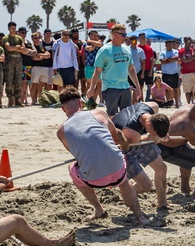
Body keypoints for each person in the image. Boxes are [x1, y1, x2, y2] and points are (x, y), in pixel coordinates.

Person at [57, 86, 147, 224]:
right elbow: (117, 135)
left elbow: (76, 154)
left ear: (63, 109)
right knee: (124, 182)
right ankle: (139, 216)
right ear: (81, 103)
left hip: (93, 179)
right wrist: (124, 145)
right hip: (117, 171)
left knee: (71, 167)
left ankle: (98, 209)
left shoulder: (61, 131)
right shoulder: (99, 113)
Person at [110, 100, 171, 210]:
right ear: (147, 124)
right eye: (152, 132)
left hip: (138, 139)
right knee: (146, 187)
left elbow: (150, 134)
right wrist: (152, 137)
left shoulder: (152, 107)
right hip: (123, 147)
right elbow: (134, 141)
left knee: (162, 168)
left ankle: (163, 203)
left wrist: (161, 135)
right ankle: (128, 192)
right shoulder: (131, 130)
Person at [88, 24, 141, 116]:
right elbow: (97, 71)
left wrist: (137, 86)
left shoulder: (126, 49)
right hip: (110, 87)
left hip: (125, 87)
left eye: (126, 35)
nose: (125, 37)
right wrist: (91, 88)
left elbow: (131, 69)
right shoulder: (104, 50)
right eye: (123, 35)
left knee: (127, 116)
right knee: (112, 115)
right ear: (114, 34)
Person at [2, 22, 27, 107]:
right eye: (12, 28)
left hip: (18, 59)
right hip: (10, 60)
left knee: (18, 80)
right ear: (8, 28)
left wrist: (15, 48)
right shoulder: (6, 38)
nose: (13, 30)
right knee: (9, 80)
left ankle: (17, 99)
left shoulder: (19, 38)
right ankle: (10, 99)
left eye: (14, 28)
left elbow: (23, 49)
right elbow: (8, 48)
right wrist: (17, 47)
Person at [178, 36, 195, 104]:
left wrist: (193, 49)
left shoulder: (194, 49)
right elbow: (184, 60)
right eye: (188, 41)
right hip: (186, 73)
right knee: (188, 91)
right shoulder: (181, 51)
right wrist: (192, 58)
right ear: (185, 41)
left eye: (191, 40)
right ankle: (189, 104)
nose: (190, 42)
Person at [159, 39, 181, 107]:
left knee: (176, 89)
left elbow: (176, 58)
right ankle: (169, 102)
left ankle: (177, 103)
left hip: (174, 72)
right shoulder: (162, 52)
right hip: (165, 73)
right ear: (165, 45)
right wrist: (172, 59)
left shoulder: (176, 51)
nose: (169, 45)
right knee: (167, 89)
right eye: (168, 44)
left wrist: (167, 59)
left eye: (171, 44)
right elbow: (162, 61)